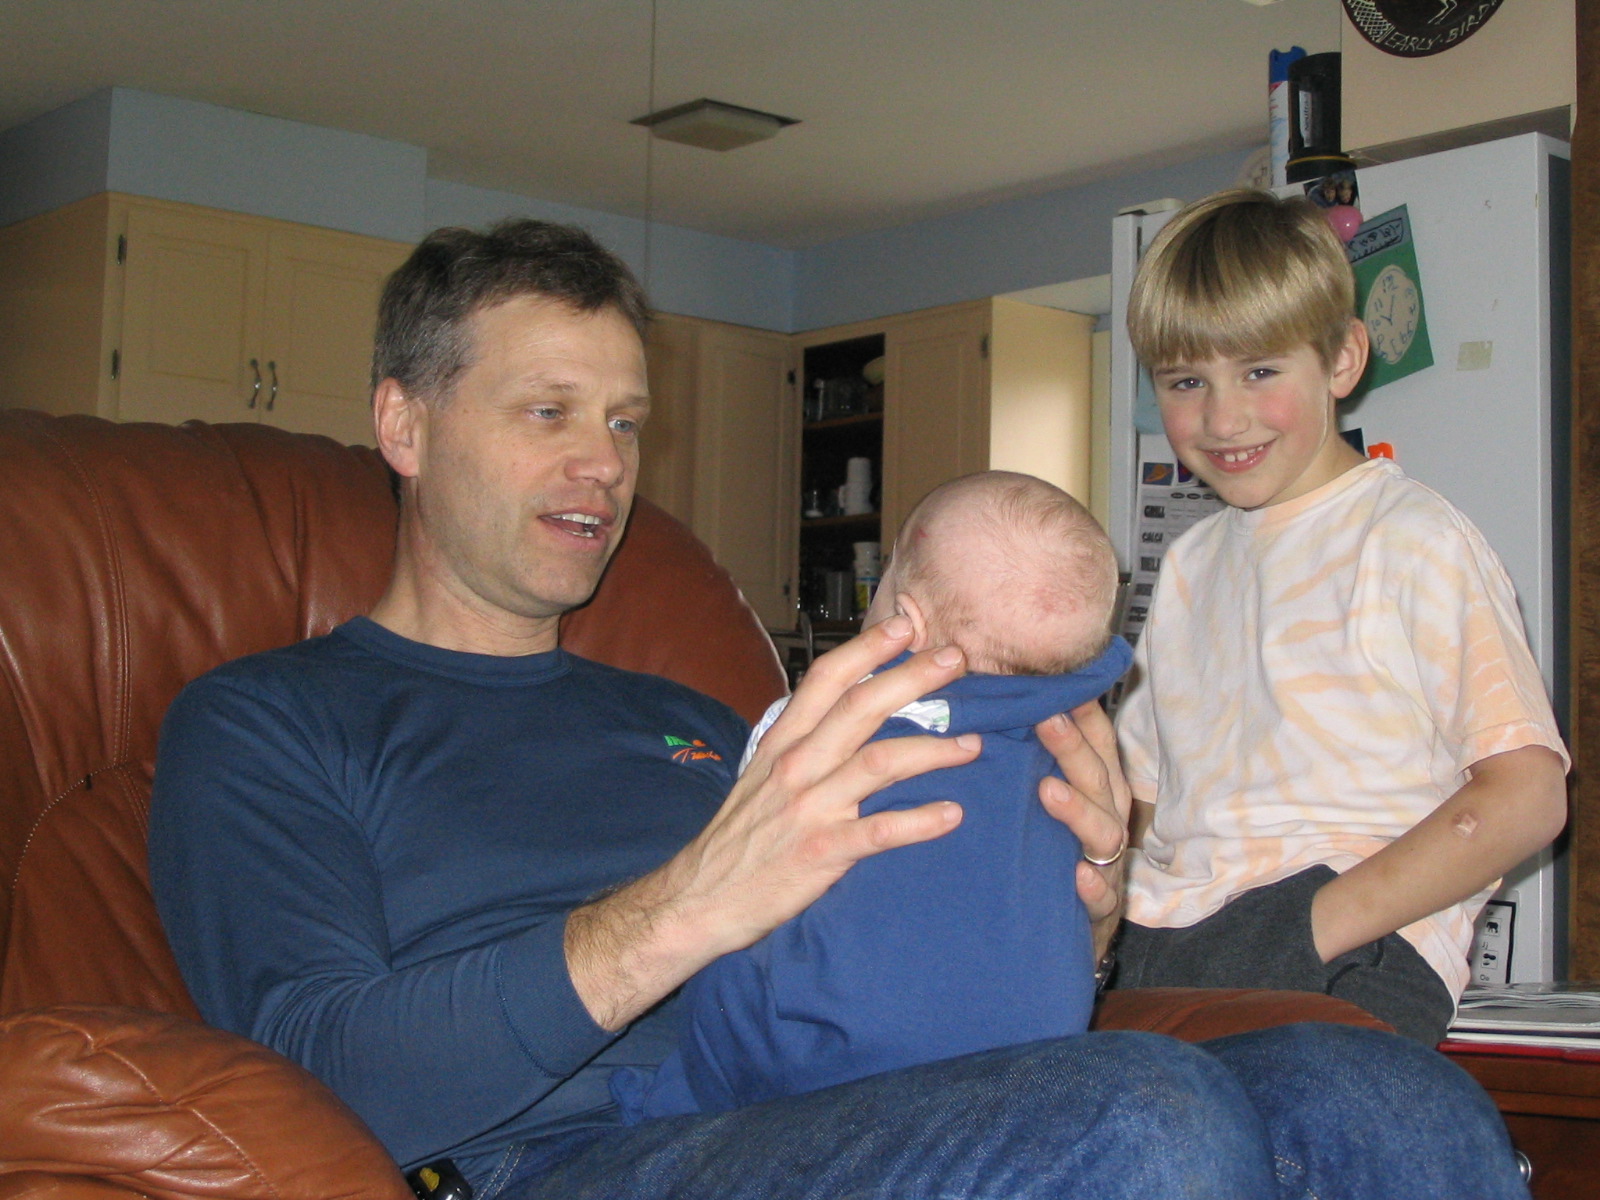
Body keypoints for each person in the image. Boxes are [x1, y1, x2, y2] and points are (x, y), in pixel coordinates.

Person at [148, 216, 1533, 1200]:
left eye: (624, 422)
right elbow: (317, 1067)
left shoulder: (696, 716)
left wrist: (1089, 902)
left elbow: (918, 954)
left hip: (834, 1100)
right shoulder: (270, 722)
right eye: (547, 412)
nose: (604, 465)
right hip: (566, 1159)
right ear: (403, 423)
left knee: (1378, 1096)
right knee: (1140, 1118)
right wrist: (696, 898)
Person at [1111, 188, 1569, 1046]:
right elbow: (1140, 800)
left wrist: (1314, 926)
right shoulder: (1188, 565)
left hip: (1345, 938)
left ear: (1343, 360)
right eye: (1186, 381)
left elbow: (1528, 796)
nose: (1222, 417)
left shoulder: (1414, 538)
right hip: (1165, 938)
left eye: (1259, 371)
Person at [612, 471, 1133, 1119]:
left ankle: (667, 1102)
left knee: (725, 991)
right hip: (1024, 1063)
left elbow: (751, 822)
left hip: (817, 1060)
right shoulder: (1073, 742)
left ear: (904, 621)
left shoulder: (828, 718)